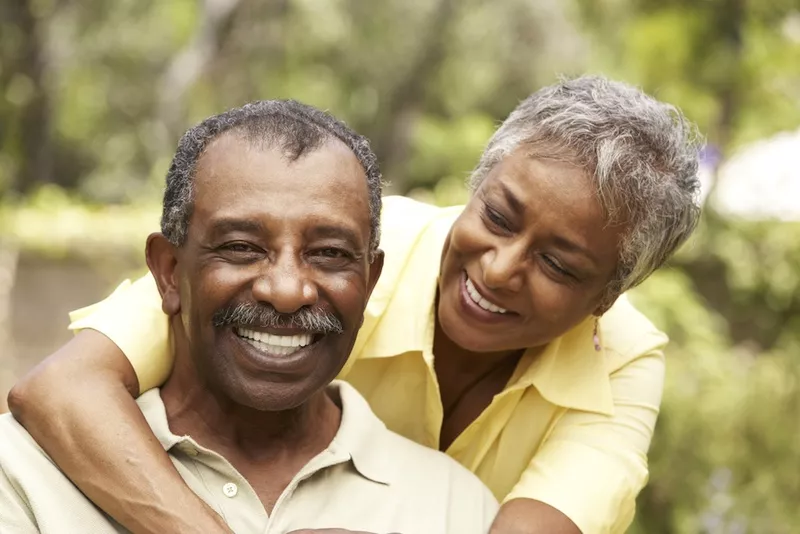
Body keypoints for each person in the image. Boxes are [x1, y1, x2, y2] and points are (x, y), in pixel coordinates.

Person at [9, 75, 703, 534]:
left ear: (605, 299)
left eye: (558, 264)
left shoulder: (621, 365)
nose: (500, 268)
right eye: (496, 215)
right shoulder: (332, 237)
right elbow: (64, 388)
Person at [0, 100, 499, 534]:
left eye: (328, 253)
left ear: (370, 281)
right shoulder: (23, 474)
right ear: (170, 272)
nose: (286, 291)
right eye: (240, 248)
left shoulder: (457, 508)